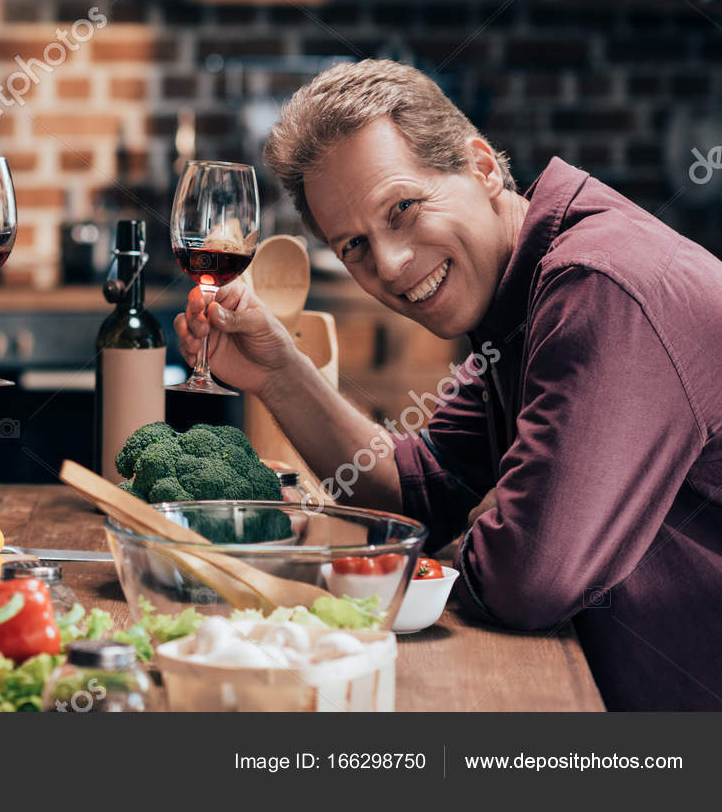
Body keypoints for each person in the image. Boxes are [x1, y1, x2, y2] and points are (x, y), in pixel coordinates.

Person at [175, 59, 722, 711]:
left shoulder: (597, 287)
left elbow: (526, 579)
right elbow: (422, 489)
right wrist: (278, 372)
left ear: (483, 166)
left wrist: (508, 529)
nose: (391, 264)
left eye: (402, 208)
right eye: (353, 245)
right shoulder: (520, 288)